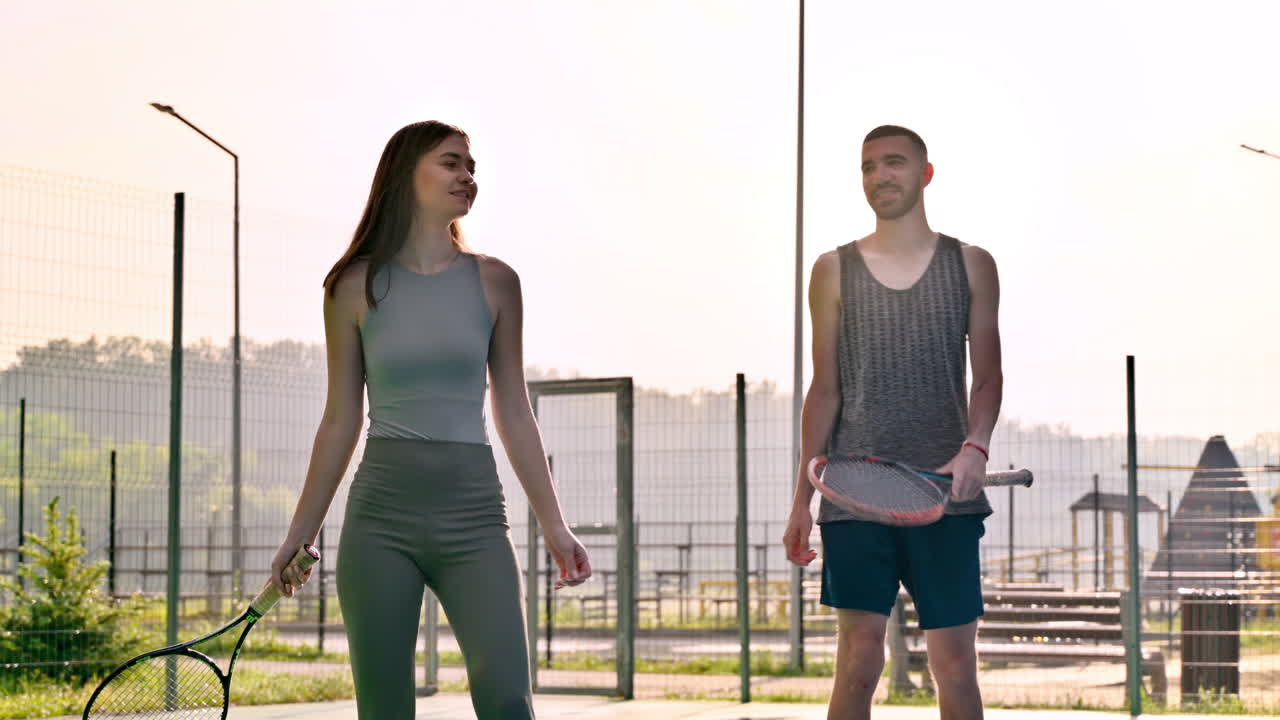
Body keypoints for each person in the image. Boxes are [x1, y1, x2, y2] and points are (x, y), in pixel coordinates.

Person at [267, 120, 592, 719]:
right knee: (384, 710)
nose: (466, 177)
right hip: (379, 520)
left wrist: (555, 524)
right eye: (451, 163)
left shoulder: (496, 282)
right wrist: (300, 533)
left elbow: (514, 407)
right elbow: (341, 418)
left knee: (508, 703)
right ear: (405, 173)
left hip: (473, 516)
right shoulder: (351, 286)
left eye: (472, 167)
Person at [782, 125, 1002, 720]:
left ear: (925, 173)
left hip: (945, 500)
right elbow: (823, 391)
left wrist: (976, 447)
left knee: (954, 667)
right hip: (853, 497)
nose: (881, 176)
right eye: (869, 167)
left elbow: (987, 378)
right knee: (858, 662)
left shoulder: (972, 265)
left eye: (895, 163)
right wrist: (802, 501)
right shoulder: (832, 270)